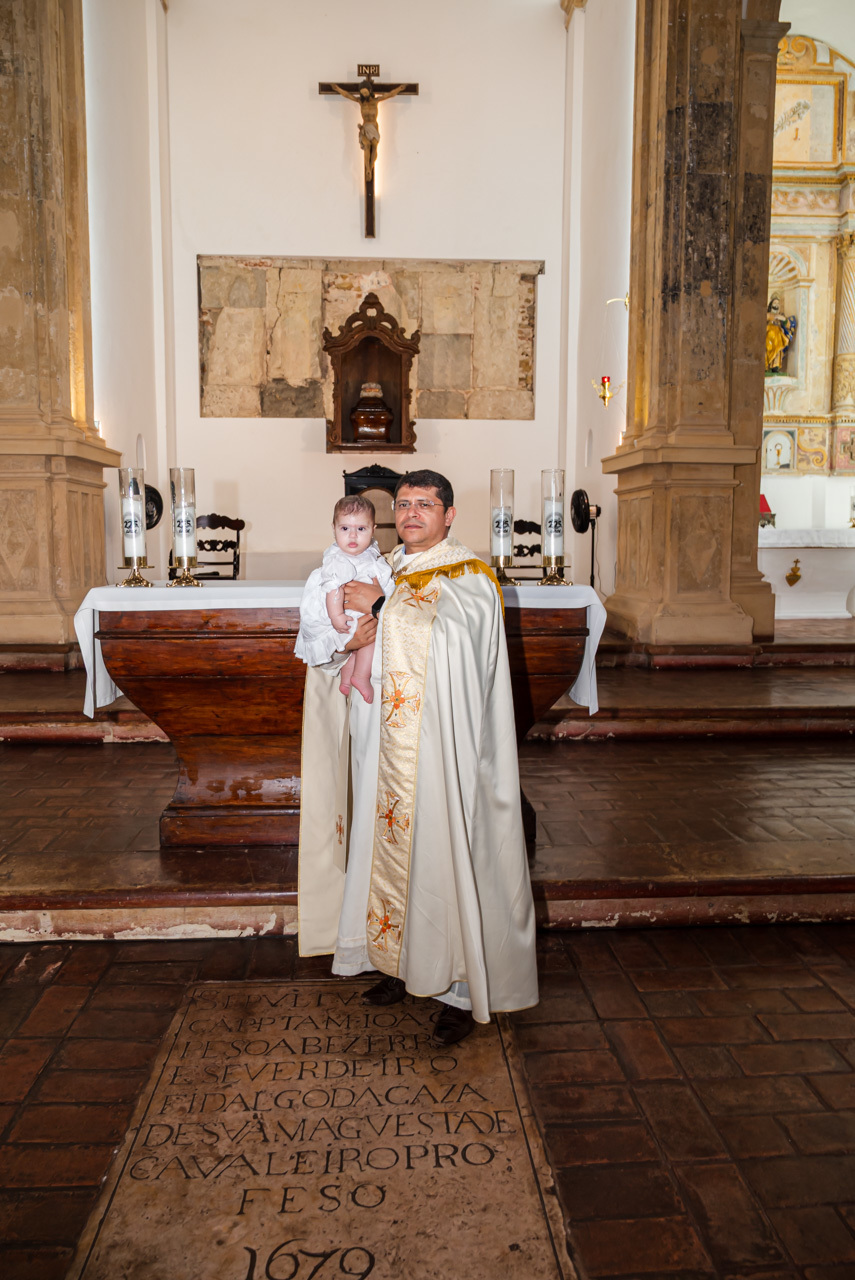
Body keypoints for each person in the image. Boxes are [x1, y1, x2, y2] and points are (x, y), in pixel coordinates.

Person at [298, 469, 538, 1046]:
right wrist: (347, 640)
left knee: (441, 853)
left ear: (448, 515)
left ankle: (457, 984)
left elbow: (457, 646)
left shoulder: (469, 575)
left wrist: (384, 605)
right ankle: (399, 963)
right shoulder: (381, 566)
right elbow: (333, 642)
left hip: (439, 748)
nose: (410, 514)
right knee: (382, 848)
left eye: (424, 505)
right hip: (382, 746)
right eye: (403, 504)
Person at [294, 495, 393, 703]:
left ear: (373, 529)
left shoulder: (372, 555)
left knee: (362, 643)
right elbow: (334, 590)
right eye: (345, 529)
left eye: (361, 529)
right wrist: (337, 616)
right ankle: (359, 676)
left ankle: (348, 679)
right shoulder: (337, 559)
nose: (353, 536)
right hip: (344, 617)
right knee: (363, 643)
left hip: (362, 614)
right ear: (334, 528)